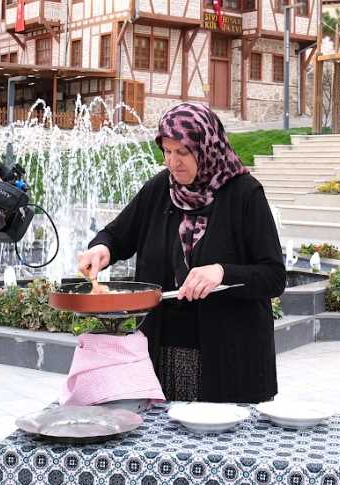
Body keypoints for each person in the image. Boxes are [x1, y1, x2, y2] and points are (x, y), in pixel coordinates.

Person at [78, 102, 286, 403]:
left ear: (206, 148)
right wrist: (101, 248)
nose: (173, 163)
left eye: (183, 153)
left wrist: (223, 272)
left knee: (221, 443)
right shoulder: (161, 188)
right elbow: (117, 235)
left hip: (229, 356)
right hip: (164, 350)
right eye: (167, 151)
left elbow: (274, 276)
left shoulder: (245, 194)